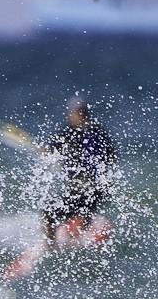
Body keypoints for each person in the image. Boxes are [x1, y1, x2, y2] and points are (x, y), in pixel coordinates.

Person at [40, 99, 118, 245]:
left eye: (83, 112)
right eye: (77, 112)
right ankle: (51, 244)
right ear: (71, 114)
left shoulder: (96, 133)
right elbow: (52, 153)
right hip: (78, 187)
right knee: (49, 212)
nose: (80, 116)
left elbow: (111, 157)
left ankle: (75, 240)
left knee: (83, 209)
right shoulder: (66, 133)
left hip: (93, 187)